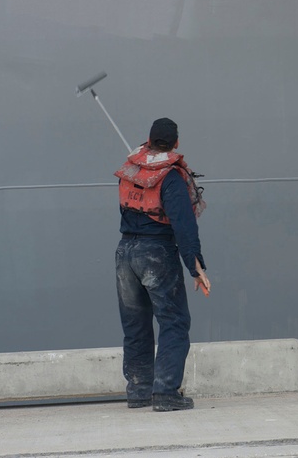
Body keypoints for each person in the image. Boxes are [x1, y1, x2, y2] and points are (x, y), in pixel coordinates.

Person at [113, 117, 210, 411]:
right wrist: (195, 266)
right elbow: (183, 224)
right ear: (176, 143)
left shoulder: (130, 171)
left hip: (124, 253)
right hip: (156, 253)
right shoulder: (171, 177)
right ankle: (166, 392)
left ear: (149, 139)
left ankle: (139, 390)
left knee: (135, 324)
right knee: (174, 321)